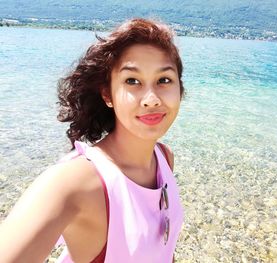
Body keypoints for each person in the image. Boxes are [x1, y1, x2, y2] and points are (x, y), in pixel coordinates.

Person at [0, 18, 185, 263]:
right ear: (108, 94)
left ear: (180, 89)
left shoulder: (163, 158)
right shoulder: (75, 183)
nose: (151, 99)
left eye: (164, 80)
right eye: (132, 81)